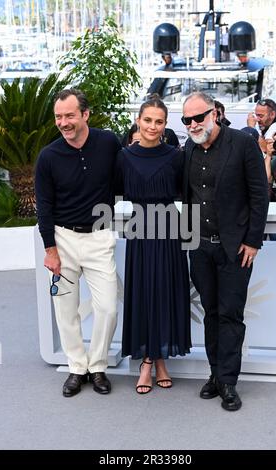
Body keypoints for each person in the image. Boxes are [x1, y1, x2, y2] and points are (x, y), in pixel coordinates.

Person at [182, 92, 269, 411]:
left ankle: (229, 382)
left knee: (230, 313)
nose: (193, 124)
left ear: (214, 113)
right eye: (186, 120)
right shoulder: (189, 147)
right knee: (211, 313)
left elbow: (259, 196)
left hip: (236, 249)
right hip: (200, 248)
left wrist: (253, 240)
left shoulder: (242, 144)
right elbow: (188, 197)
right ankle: (215, 374)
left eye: (198, 117)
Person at [35, 88, 121, 397]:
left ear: (85, 114)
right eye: (59, 117)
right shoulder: (48, 157)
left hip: (99, 237)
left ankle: (97, 365)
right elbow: (43, 205)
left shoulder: (109, 142)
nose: (63, 122)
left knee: (108, 307)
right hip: (63, 240)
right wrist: (50, 249)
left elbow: (128, 172)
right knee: (65, 309)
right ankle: (77, 367)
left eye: (69, 115)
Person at [116, 97, 191, 394]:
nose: (152, 126)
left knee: (165, 292)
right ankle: (148, 361)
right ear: (138, 120)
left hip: (168, 229)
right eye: (148, 120)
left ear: (165, 125)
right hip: (139, 230)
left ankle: (160, 360)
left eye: (159, 121)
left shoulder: (176, 156)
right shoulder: (123, 156)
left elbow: (188, 193)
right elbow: (110, 190)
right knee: (144, 293)